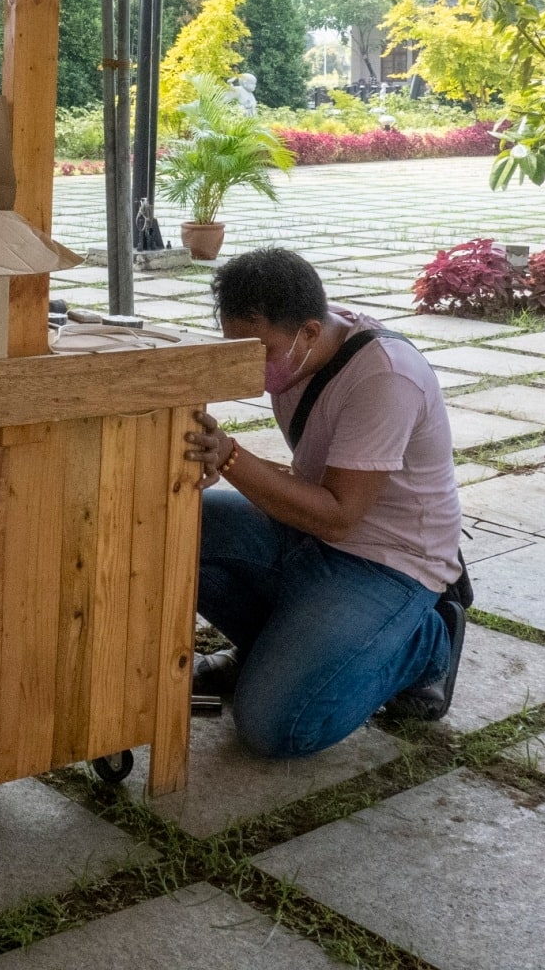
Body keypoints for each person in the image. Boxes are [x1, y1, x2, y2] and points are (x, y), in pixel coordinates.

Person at [185, 247, 469, 758]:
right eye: (237, 348)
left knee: (274, 726)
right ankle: (278, 647)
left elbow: (340, 516)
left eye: (260, 349)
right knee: (173, 528)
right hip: (311, 534)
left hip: (385, 561)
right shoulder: (298, 353)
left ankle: (421, 644)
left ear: (310, 332)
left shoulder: (384, 376)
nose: (252, 364)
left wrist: (230, 458)